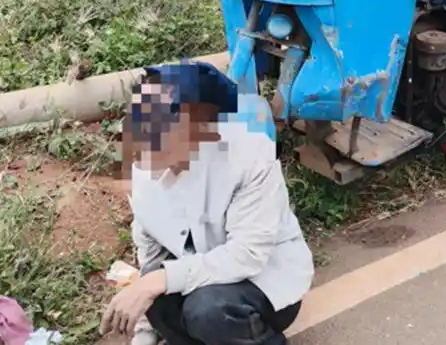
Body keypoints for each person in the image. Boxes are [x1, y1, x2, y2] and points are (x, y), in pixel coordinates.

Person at [100, 61, 314, 345]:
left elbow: (247, 254)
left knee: (207, 309)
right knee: (156, 297)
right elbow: (151, 257)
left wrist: (158, 281)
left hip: (261, 287)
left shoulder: (249, 156)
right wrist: (143, 328)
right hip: (199, 279)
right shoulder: (140, 169)